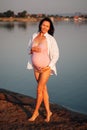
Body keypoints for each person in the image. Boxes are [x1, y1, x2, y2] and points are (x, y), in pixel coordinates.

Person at [27, 17, 59, 122]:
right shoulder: (34, 36)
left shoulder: (50, 39)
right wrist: (32, 49)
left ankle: (35, 112)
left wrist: (49, 66)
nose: (44, 27)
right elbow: (28, 49)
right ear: (40, 25)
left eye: (47, 26)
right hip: (35, 68)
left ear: (49, 28)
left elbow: (56, 55)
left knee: (39, 90)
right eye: (43, 25)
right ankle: (48, 112)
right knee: (44, 90)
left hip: (45, 68)